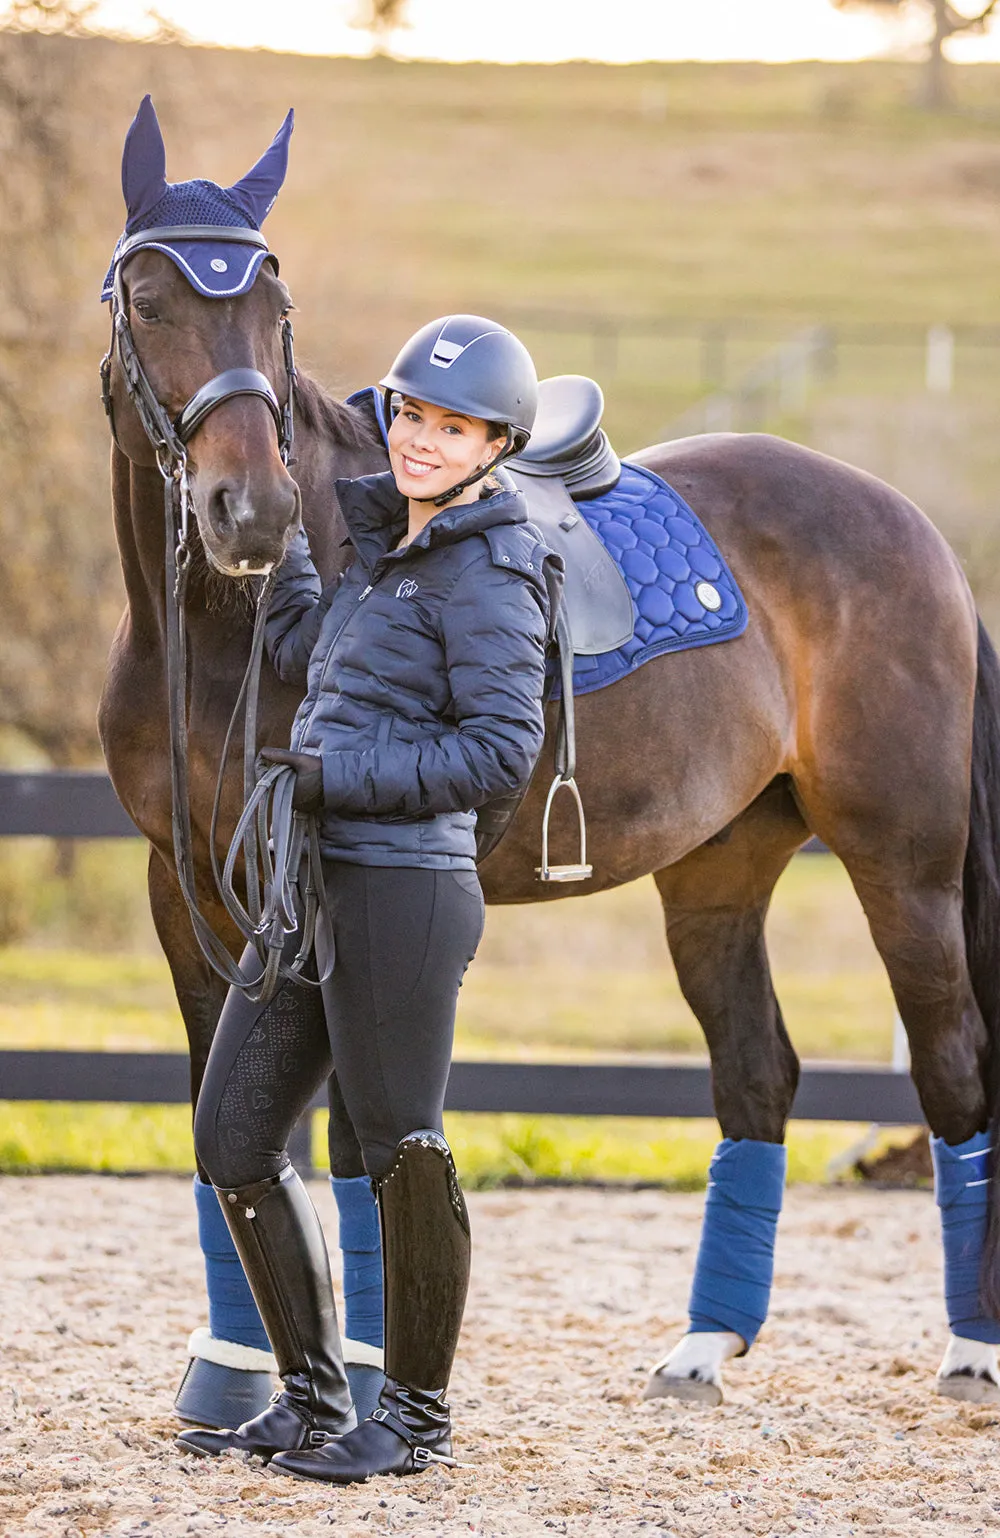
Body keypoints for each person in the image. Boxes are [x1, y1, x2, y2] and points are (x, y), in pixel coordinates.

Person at [176, 315, 558, 1484]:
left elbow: (502, 747)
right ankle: (308, 1393)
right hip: (310, 883)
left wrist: (341, 777)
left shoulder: (491, 566)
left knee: (399, 1145)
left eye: (452, 427)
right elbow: (307, 651)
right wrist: (287, 535)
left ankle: (419, 1419)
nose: (423, 440)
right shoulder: (384, 548)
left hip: (405, 889)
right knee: (233, 1131)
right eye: (411, 416)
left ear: (495, 444)